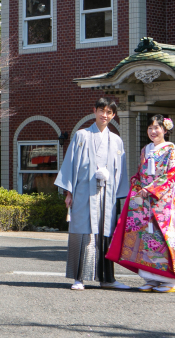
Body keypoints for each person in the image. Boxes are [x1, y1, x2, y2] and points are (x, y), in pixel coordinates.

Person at [106, 115, 175, 293]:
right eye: (150, 128)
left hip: (163, 202)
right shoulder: (145, 149)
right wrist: (137, 185)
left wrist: (152, 189)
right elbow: (141, 172)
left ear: (165, 130)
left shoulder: (170, 148)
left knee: (163, 237)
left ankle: (169, 280)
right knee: (145, 237)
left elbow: (173, 174)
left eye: (157, 128)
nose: (153, 132)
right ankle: (151, 278)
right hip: (145, 201)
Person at [54, 97, 130, 290]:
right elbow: (71, 164)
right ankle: (79, 278)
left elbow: (120, 171)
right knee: (82, 232)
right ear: (94, 111)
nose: (105, 115)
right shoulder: (81, 135)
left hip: (107, 194)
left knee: (105, 234)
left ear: (113, 116)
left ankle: (107, 279)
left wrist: (116, 190)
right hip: (83, 192)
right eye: (101, 110)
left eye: (109, 112)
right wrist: (69, 192)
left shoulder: (117, 141)